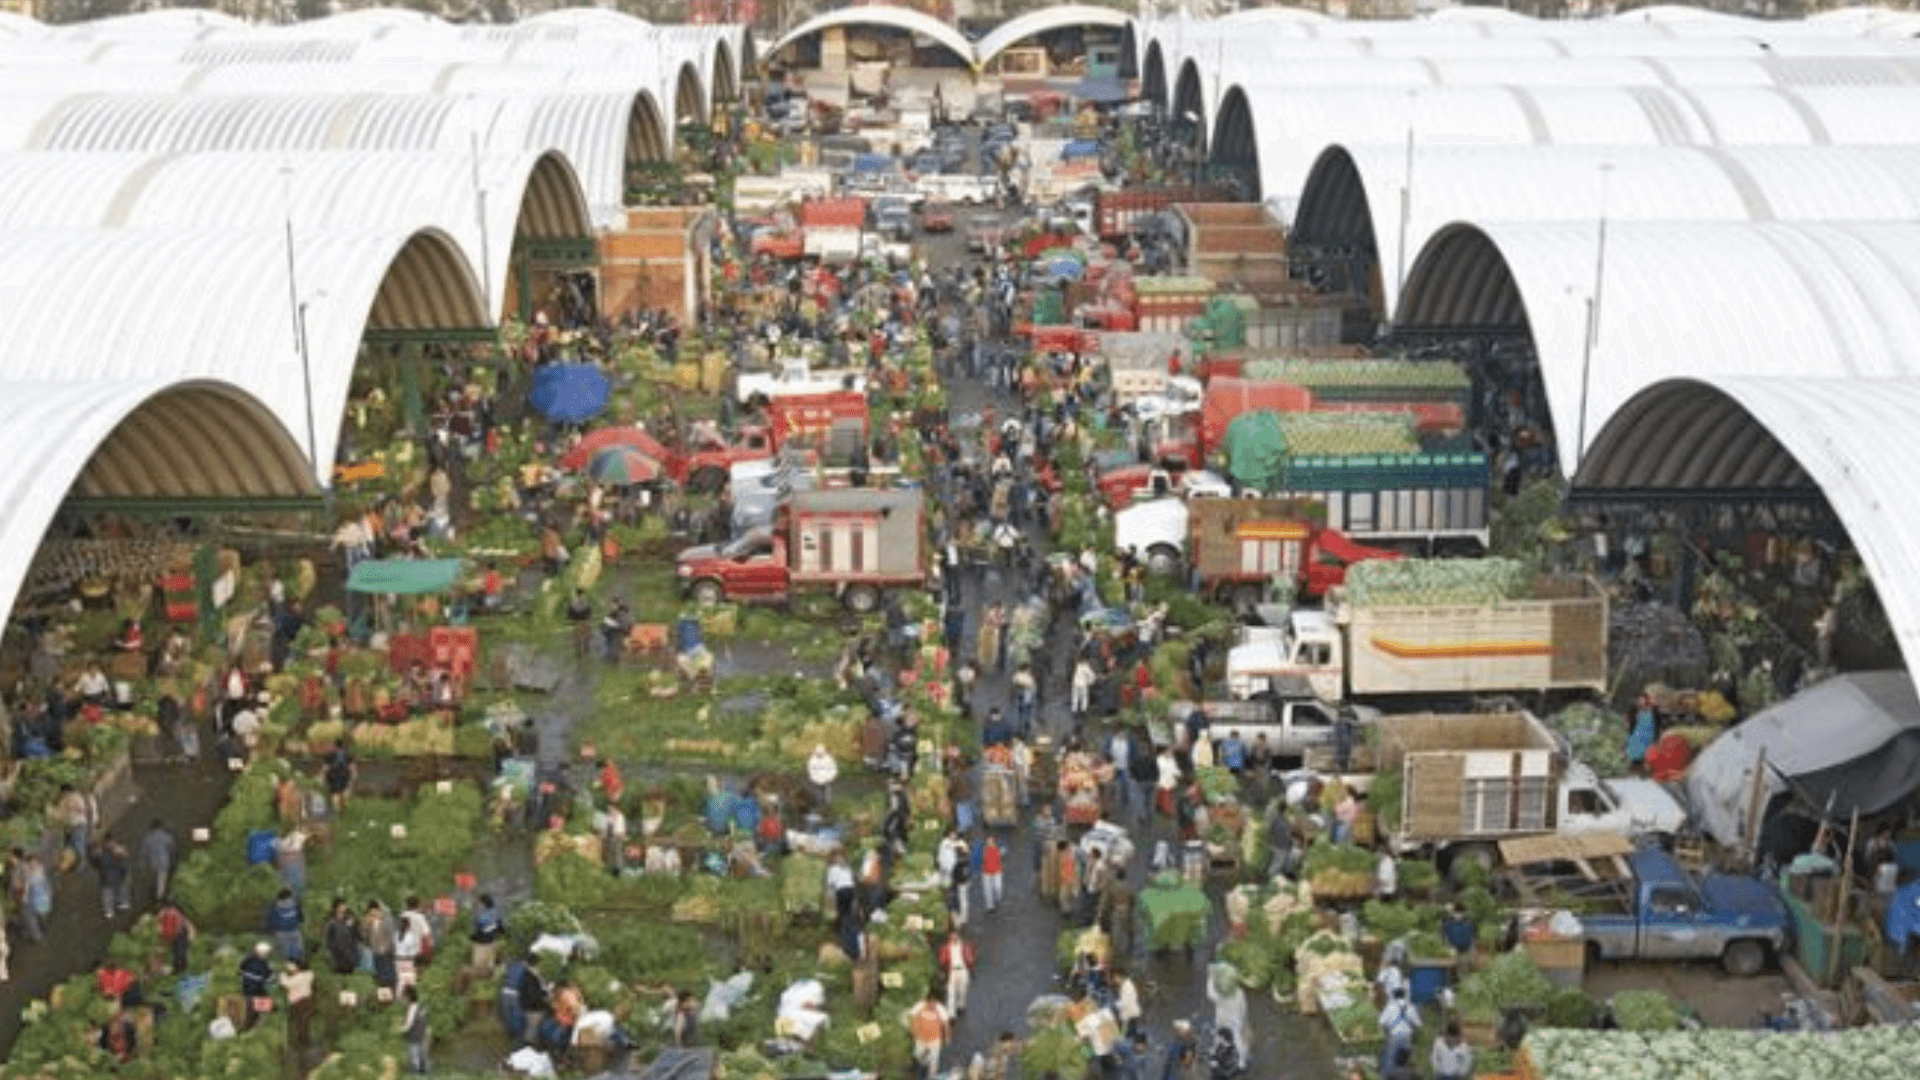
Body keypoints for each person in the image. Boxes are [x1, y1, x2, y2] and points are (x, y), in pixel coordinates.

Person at [1206, 964, 1248, 1073]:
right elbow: (1243, 1007)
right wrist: (1243, 1019)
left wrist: (1210, 977)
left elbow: (1209, 992)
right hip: (1236, 1020)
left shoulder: (1219, 996)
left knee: (1218, 1038)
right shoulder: (1239, 992)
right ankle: (1242, 1064)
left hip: (1222, 1021)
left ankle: (1215, 1060)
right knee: (1238, 1039)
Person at [907, 989, 951, 1079]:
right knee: (919, 1056)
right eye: (930, 1003)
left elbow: (945, 1024)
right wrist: (914, 1033)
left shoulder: (940, 1009)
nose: (932, 1006)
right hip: (921, 1039)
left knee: (934, 1061)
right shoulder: (919, 1007)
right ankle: (921, 1068)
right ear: (926, 1001)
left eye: (934, 1003)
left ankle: (931, 1076)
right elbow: (913, 1020)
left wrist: (946, 1037)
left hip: (934, 1040)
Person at [1378, 986, 1420, 1075]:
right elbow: (1418, 1023)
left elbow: (1381, 1022)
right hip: (1408, 1038)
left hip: (1394, 1037)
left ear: (1394, 996)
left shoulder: (1390, 1007)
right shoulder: (1410, 1007)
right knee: (1405, 1062)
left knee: (1389, 1064)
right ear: (1404, 995)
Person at [283, 960, 316, 1066]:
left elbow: (286, 984)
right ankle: (305, 1039)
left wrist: (283, 975)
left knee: (299, 1021)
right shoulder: (308, 975)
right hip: (307, 1001)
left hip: (297, 1003)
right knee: (305, 1021)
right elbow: (311, 974)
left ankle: (301, 1042)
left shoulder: (293, 979)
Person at [139, 818, 177, 904]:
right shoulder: (166, 836)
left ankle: (156, 894)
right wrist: (173, 857)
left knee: (157, 878)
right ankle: (160, 897)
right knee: (162, 878)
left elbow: (144, 851)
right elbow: (172, 847)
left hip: (153, 861)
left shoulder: (148, 837)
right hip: (164, 860)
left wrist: (143, 863)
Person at [240, 942, 276, 1028]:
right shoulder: (263, 964)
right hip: (257, 992)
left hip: (245, 991)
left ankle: (246, 1028)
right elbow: (269, 979)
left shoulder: (247, 960)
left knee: (248, 1013)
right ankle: (255, 1028)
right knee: (256, 1014)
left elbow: (241, 971)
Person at [364, 901, 397, 992]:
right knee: (379, 976)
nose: (374, 915)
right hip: (376, 953)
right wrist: (366, 924)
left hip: (387, 954)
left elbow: (392, 937)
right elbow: (364, 937)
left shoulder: (387, 921)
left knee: (389, 976)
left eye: (375, 913)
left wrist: (386, 948)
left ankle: (391, 993)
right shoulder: (370, 924)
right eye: (371, 913)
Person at [95, 835, 132, 918]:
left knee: (114, 890)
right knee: (110, 892)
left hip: (113, 874)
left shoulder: (111, 850)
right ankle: (113, 908)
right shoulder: (103, 852)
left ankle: (116, 906)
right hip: (110, 875)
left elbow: (124, 856)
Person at [266, 887, 304, 962]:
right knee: (297, 953)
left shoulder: (275, 904)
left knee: (285, 955)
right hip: (294, 930)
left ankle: (288, 968)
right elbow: (300, 918)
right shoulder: (295, 903)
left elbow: (271, 919)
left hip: (280, 932)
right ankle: (298, 967)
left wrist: (271, 930)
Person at [399, 984, 430, 1074]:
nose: (402, 999)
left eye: (404, 997)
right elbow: (424, 1021)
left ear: (408, 997)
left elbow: (407, 1026)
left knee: (415, 1061)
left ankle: (418, 1072)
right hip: (423, 1035)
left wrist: (396, 1030)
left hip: (414, 1037)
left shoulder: (411, 1008)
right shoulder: (420, 1006)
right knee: (423, 1058)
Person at [324, 899, 361, 975]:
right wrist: (330, 950)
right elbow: (328, 939)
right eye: (341, 905)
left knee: (351, 973)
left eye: (344, 905)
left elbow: (356, 934)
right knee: (339, 973)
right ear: (336, 907)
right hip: (338, 954)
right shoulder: (332, 922)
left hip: (350, 953)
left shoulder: (351, 919)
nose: (344, 907)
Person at [470, 893, 505, 971]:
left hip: (481, 943)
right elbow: (501, 929)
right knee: (489, 966)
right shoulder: (497, 911)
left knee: (478, 966)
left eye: (478, 903)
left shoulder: (480, 914)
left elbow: (477, 929)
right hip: (492, 941)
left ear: (482, 903)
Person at [324, 741, 356, 813]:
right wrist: (352, 779)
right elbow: (352, 768)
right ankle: (342, 812)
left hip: (333, 777)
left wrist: (324, 779)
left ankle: (337, 812)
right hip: (344, 777)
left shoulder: (330, 754)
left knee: (335, 795)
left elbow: (326, 768)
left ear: (334, 745)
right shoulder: (347, 754)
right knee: (343, 795)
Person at [807, 744, 838, 809]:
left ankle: (826, 806)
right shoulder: (813, 759)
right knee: (817, 794)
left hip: (826, 780)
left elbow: (833, 769)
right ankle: (818, 806)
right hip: (816, 780)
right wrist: (814, 778)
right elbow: (810, 770)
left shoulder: (829, 759)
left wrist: (830, 777)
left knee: (826, 794)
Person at [979, 835, 1004, 913]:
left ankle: (998, 898)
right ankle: (990, 906)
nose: (989, 842)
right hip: (986, 872)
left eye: (991, 840)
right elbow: (979, 859)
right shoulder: (983, 849)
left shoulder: (998, 849)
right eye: (988, 840)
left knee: (998, 887)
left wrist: (1001, 867)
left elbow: (1002, 859)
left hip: (997, 871)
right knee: (987, 889)